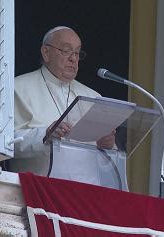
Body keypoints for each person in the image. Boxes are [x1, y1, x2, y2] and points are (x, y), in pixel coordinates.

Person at [10, 26, 115, 176]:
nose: (73, 58)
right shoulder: (18, 87)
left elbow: (108, 167)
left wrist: (107, 147)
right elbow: (6, 143)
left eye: (77, 53)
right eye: (66, 51)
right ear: (46, 52)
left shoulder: (94, 97)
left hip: (85, 192)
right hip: (37, 191)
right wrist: (45, 136)